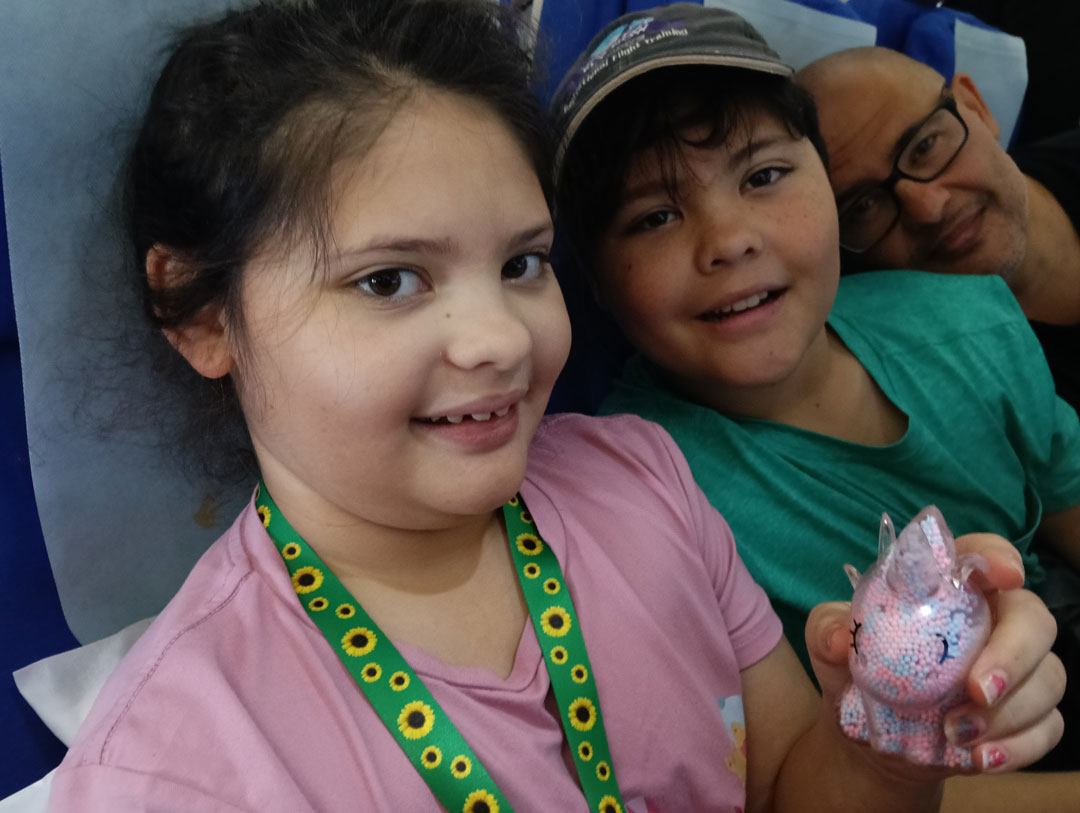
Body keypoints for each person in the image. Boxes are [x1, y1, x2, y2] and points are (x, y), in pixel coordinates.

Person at [42, 0, 1063, 811]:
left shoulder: (643, 483)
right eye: (389, 280)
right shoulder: (178, 768)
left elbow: (794, 786)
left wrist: (890, 738)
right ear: (200, 314)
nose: (501, 339)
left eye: (523, 263)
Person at [553, 2, 1077, 800]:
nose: (728, 239)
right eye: (655, 216)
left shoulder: (969, 319)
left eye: (763, 176)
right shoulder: (642, 503)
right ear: (596, 284)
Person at [795, 46, 1080, 412]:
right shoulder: (945, 407)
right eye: (865, 206)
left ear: (976, 106)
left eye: (925, 147)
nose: (929, 207)